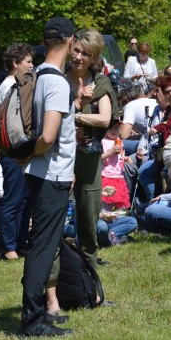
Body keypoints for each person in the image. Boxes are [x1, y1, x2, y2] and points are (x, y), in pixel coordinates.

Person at [19, 17, 78, 338]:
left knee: (43, 243)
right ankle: (32, 320)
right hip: (50, 175)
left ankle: (38, 312)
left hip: (43, 173)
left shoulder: (38, 74)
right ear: (70, 41)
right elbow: (49, 136)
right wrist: (28, 154)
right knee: (43, 247)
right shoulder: (55, 82)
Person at [67, 29, 118, 271]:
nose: (78, 56)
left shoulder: (99, 82)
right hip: (60, 154)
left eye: (85, 54)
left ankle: (89, 257)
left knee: (89, 208)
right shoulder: (57, 77)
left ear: (94, 57)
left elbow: (105, 119)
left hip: (88, 154)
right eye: (76, 50)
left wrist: (75, 116)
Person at [0, 44, 34, 260]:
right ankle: (8, 246)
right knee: (13, 199)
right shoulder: (9, 85)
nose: (31, 65)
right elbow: (11, 122)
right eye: (27, 61)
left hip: (23, 149)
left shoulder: (22, 83)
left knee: (25, 199)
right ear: (15, 64)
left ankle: (21, 242)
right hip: (12, 150)